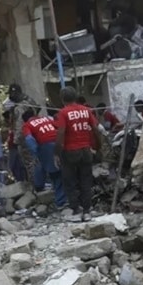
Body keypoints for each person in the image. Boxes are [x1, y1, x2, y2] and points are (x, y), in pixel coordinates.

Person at [55, 87, 100, 222]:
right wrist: (98, 146)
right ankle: (87, 210)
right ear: (76, 97)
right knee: (86, 181)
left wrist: (57, 152)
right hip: (86, 150)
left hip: (70, 151)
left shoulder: (63, 113)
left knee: (70, 181)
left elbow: (61, 132)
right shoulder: (86, 111)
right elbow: (95, 129)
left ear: (62, 99)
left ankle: (76, 209)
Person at [22, 110, 65, 207]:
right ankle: (42, 186)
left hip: (46, 145)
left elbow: (29, 139)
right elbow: (59, 126)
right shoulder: (45, 119)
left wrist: (35, 152)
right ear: (35, 115)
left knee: (55, 174)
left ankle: (60, 202)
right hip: (59, 142)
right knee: (59, 170)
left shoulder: (27, 125)